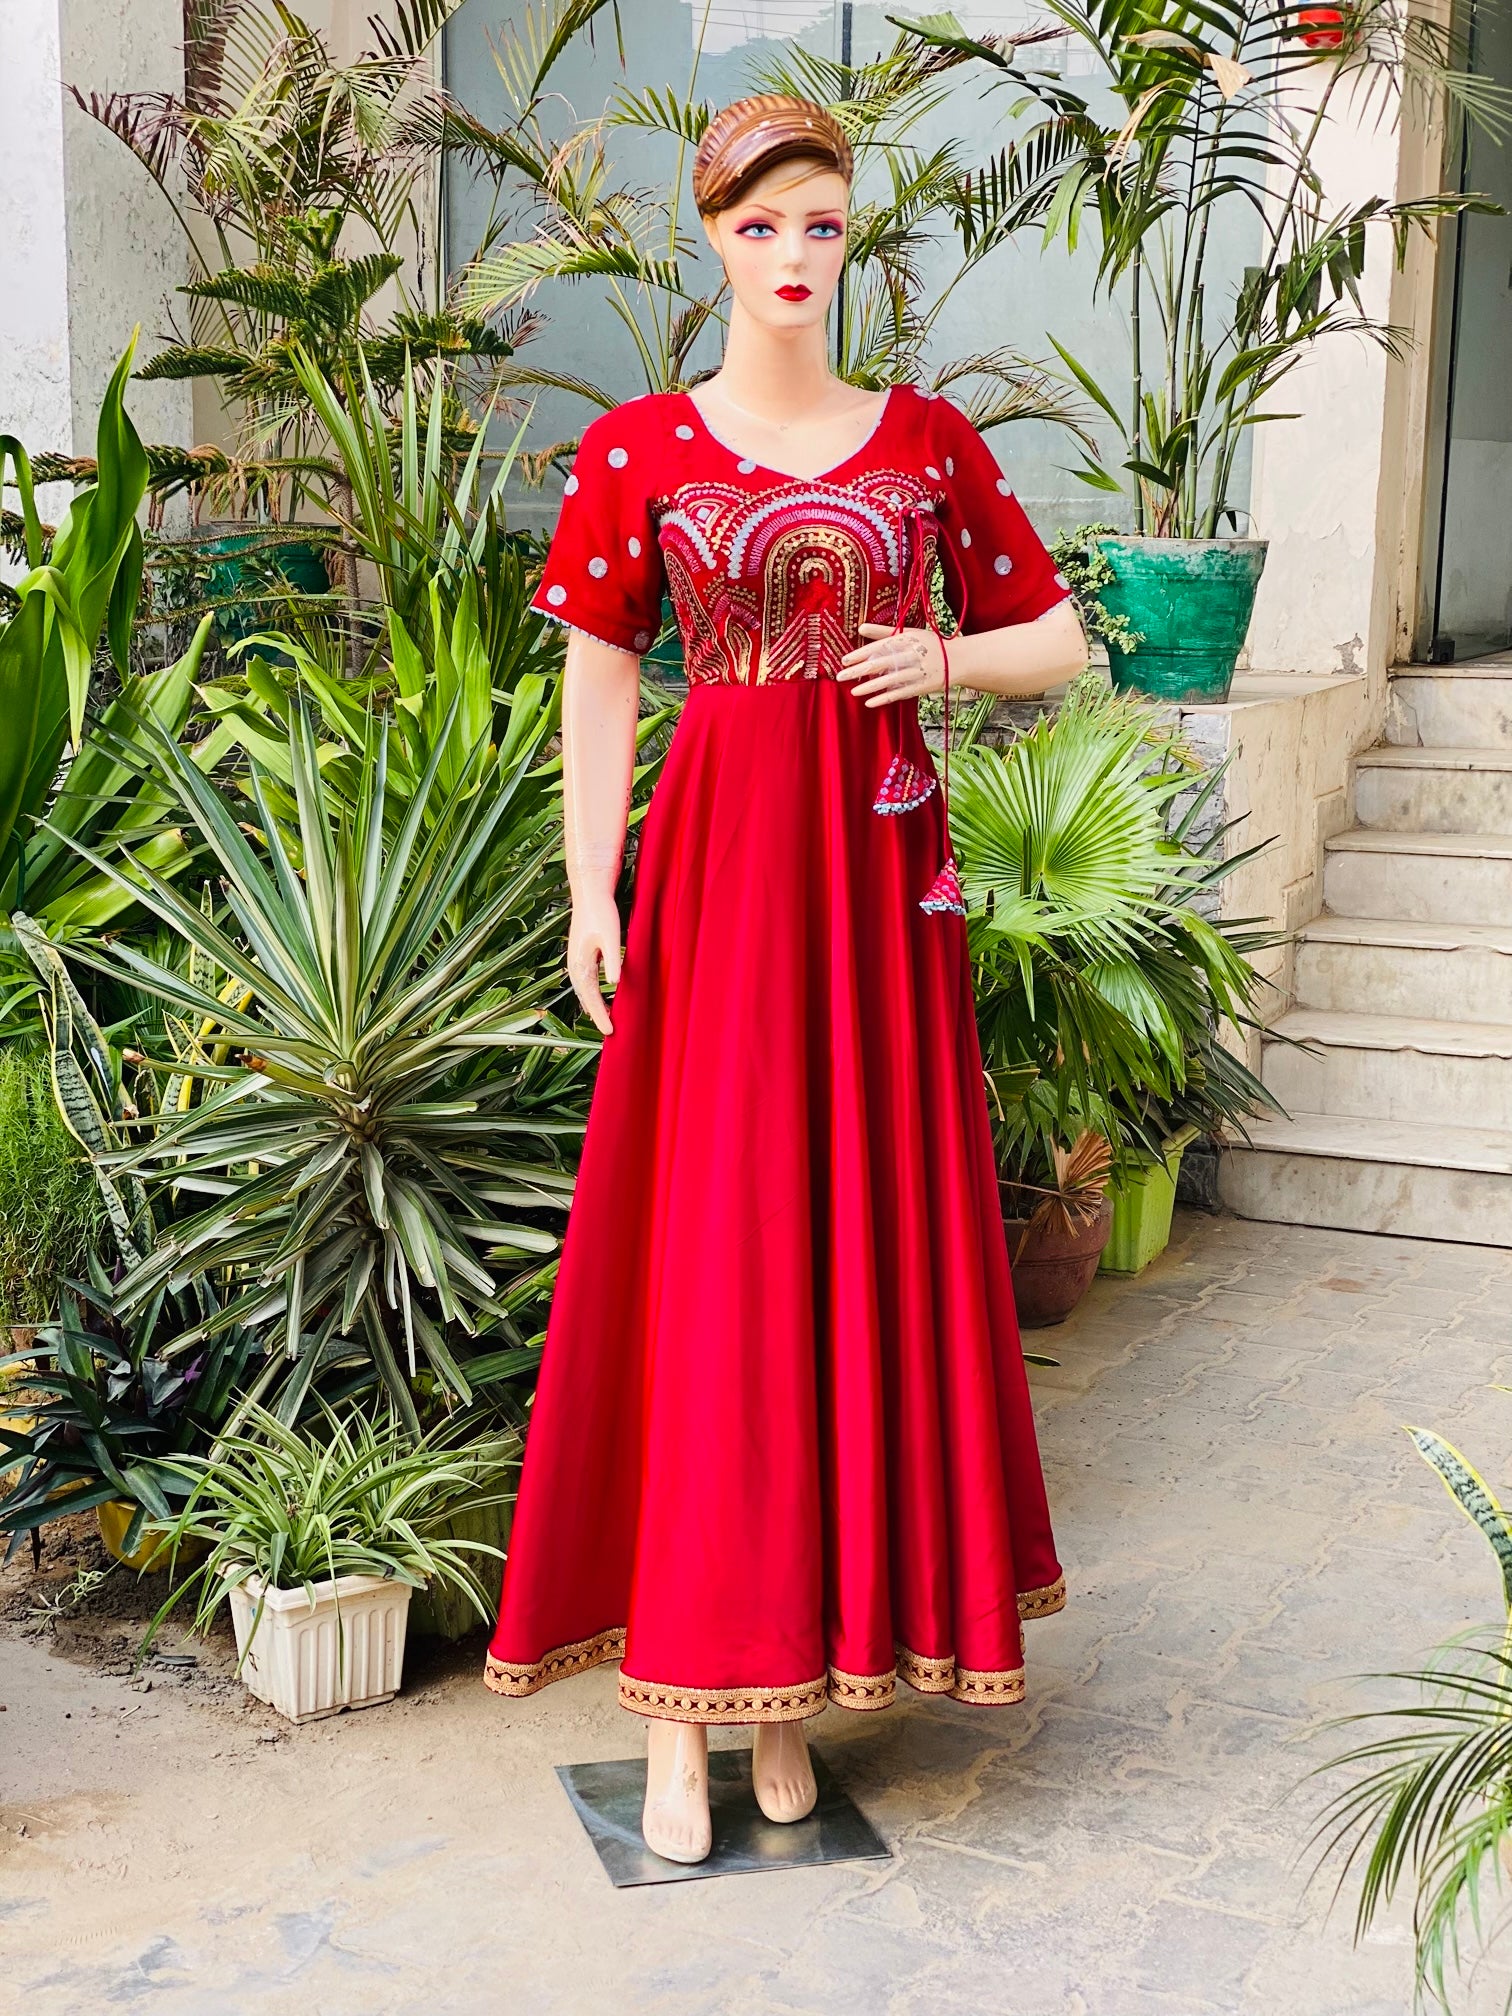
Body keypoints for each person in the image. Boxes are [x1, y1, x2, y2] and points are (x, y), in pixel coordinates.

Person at [484, 93, 1088, 1865]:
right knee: (719, 1271)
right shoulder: (642, 448)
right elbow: (601, 675)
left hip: (886, 905)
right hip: (727, 896)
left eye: (822, 225)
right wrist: (592, 889)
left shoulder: (926, 440)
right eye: (760, 228)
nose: (794, 257)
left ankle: (798, 1694)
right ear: (710, 243)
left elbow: (1059, 635)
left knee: (852, 1259)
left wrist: (949, 655)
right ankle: (683, 1712)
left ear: (852, 237)